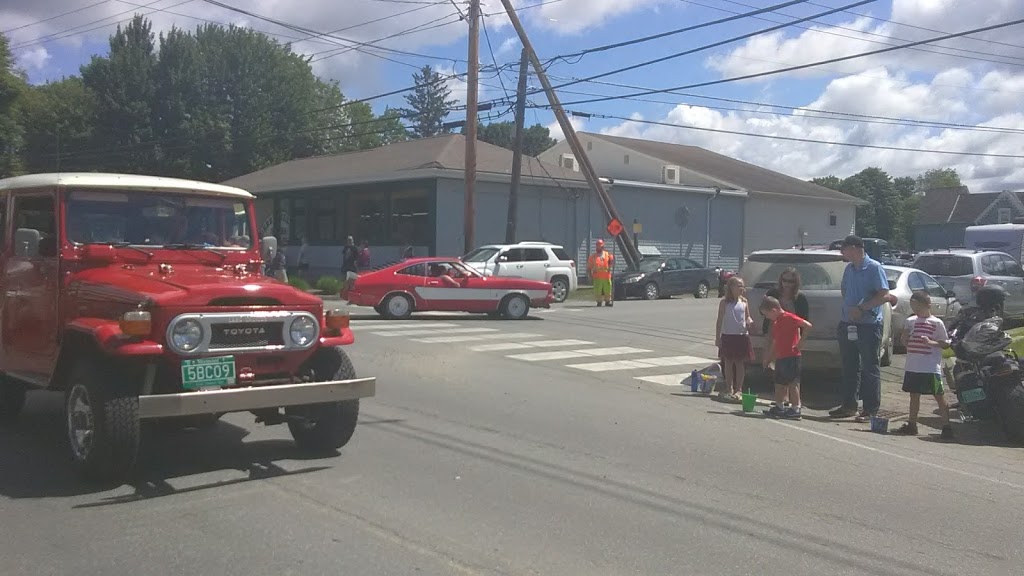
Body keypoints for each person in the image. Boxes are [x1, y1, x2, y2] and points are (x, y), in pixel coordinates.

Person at [831, 235, 891, 423]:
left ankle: (870, 409)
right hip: (848, 323)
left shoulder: (874, 268)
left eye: (845, 249)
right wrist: (849, 309)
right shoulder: (849, 269)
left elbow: (884, 295)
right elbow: (845, 290)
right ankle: (849, 405)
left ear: (856, 248)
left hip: (868, 325)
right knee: (849, 365)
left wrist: (862, 308)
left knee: (869, 366)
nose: (842, 253)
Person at [894, 291, 954, 439]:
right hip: (913, 365)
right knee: (914, 395)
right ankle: (912, 424)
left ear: (927, 305)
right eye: (913, 306)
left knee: (938, 395)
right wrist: (905, 338)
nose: (915, 309)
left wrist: (931, 342)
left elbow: (945, 343)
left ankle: (946, 426)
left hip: (930, 366)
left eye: (917, 306)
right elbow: (905, 341)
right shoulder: (911, 321)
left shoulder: (936, 323)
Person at [761, 268, 810, 409]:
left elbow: (805, 322)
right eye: (784, 280)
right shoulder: (773, 294)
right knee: (777, 372)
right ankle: (780, 402)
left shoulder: (799, 298)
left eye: (791, 281)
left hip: (791, 339)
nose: (787, 284)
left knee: (792, 378)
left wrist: (800, 342)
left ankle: (794, 405)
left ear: (796, 283)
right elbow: (764, 311)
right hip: (774, 332)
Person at [715, 275, 754, 401]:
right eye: (738, 286)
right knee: (728, 362)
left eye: (742, 286)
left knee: (739, 363)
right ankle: (729, 387)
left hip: (741, 336)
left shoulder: (744, 302)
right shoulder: (725, 303)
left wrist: (750, 322)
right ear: (731, 287)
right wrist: (717, 337)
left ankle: (739, 389)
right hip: (728, 336)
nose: (741, 288)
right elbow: (719, 320)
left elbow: (747, 317)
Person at [587, 239, 614, 307]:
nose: (599, 248)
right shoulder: (592, 257)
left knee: (607, 290)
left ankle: (608, 301)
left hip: (606, 276)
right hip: (597, 277)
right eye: (598, 246)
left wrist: (612, 262)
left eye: (601, 246)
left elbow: (612, 263)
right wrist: (590, 277)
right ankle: (599, 302)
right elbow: (589, 268)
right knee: (597, 290)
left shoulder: (607, 255)